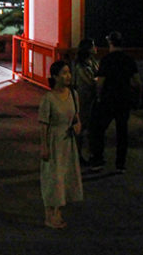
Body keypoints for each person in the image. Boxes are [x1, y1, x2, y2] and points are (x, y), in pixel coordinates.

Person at [88, 31, 141, 173]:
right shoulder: (129, 60)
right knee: (122, 131)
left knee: (99, 129)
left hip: (108, 99)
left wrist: (99, 97)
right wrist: (136, 98)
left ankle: (98, 160)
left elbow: (100, 82)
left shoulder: (106, 60)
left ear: (110, 43)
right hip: (124, 99)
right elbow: (137, 82)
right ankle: (120, 164)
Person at [39, 60, 83, 229]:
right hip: (54, 140)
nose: (68, 76)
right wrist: (44, 146)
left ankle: (58, 209)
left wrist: (78, 126)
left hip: (68, 140)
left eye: (68, 72)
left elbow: (77, 117)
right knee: (53, 177)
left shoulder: (73, 95)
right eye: (63, 73)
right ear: (55, 77)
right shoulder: (48, 99)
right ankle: (49, 213)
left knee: (65, 175)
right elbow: (43, 124)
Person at [71, 38, 100, 164]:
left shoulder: (91, 61)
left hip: (91, 98)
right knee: (81, 126)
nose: (95, 48)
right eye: (93, 46)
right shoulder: (81, 65)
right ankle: (78, 154)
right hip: (83, 98)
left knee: (89, 126)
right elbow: (89, 81)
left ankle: (85, 153)